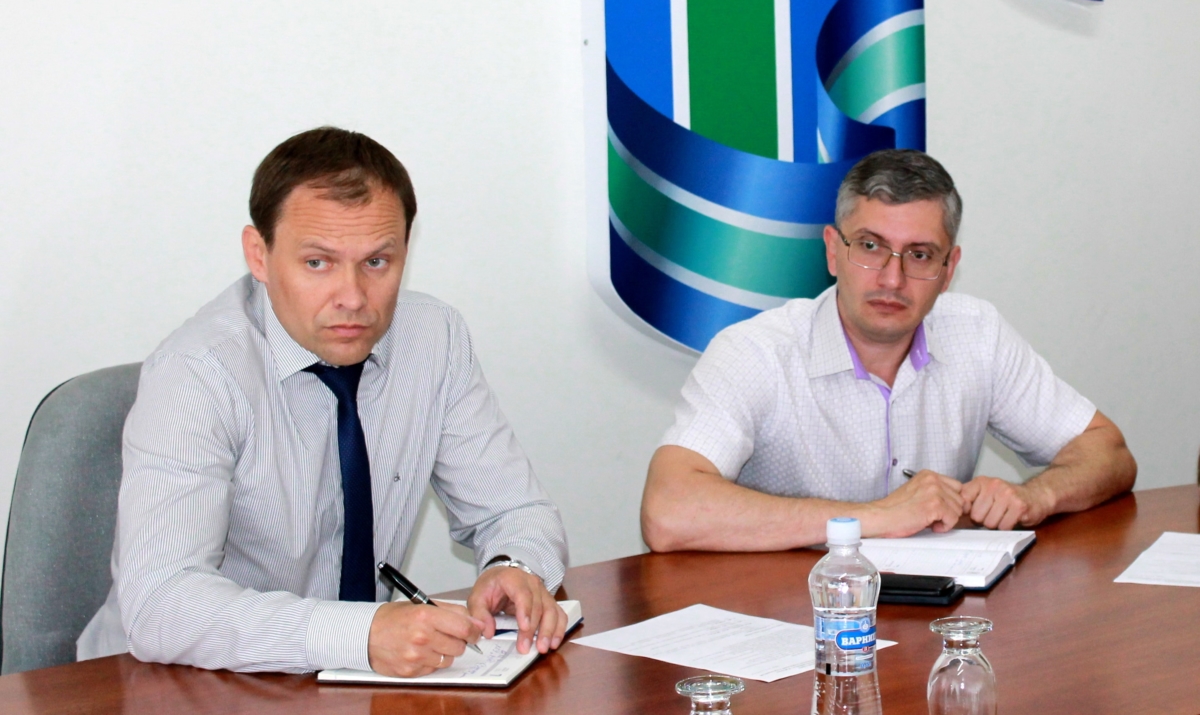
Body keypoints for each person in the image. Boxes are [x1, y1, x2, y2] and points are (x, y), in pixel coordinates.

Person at [78, 127, 569, 675]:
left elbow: (513, 510)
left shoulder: (434, 338)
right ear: (259, 255)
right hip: (163, 683)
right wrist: (359, 634)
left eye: (377, 262)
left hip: (337, 685)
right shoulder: (198, 372)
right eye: (318, 263)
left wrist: (516, 566)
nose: (353, 298)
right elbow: (161, 604)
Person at [641, 149, 1136, 552]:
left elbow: (1108, 452)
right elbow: (668, 511)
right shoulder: (756, 353)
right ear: (833, 250)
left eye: (919, 255)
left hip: (933, 617)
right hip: (788, 613)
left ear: (948, 269)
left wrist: (1034, 497)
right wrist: (877, 517)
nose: (892, 279)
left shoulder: (977, 335)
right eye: (870, 247)